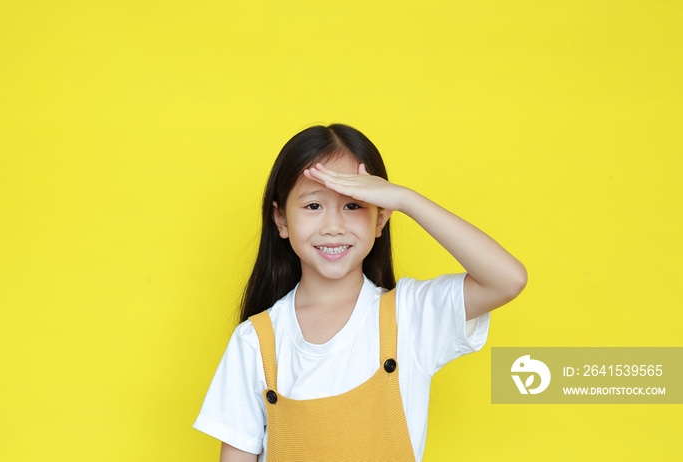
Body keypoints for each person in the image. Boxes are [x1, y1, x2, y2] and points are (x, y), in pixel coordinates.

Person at [193, 123, 527, 461]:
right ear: (281, 220)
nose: (333, 226)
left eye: (353, 205)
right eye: (313, 206)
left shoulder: (409, 317)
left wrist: (404, 199)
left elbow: (507, 279)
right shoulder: (255, 341)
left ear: (381, 218)